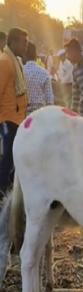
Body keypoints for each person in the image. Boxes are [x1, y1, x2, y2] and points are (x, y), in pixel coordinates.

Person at [0, 28, 28, 195]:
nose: (26, 46)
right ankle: (2, 191)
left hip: (17, 118)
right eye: (23, 42)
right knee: (8, 158)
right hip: (7, 118)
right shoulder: (5, 62)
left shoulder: (15, 61)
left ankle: (8, 189)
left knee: (14, 157)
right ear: (14, 42)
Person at [23, 42, 54, 114]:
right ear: (35, 56)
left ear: (24, 55)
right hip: (41, 113)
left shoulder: (20, 71)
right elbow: (50, 100)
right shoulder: (44, 73)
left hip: (24, 114)